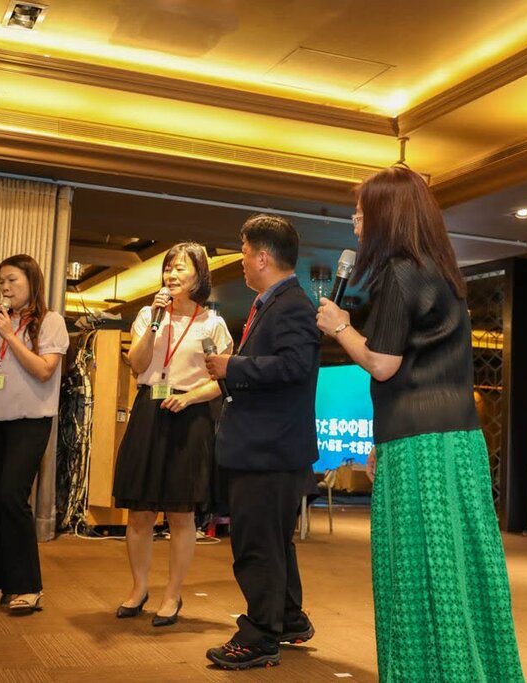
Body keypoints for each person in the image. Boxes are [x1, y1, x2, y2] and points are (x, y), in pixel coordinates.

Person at [316, 165, 525, 682]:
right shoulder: (442, 270)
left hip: (420, 448)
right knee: (461, 568)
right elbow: (419, 363)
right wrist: (382, 440)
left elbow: (383, 363)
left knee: (417, 570)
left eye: (361, 214)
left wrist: (340, 327)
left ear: (387, 217)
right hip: (455, 439)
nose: (355, 223)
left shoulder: (400, 272)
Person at [203, 214, 320, 670]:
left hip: (270, 450)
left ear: (264, 257)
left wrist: (232, 367)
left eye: (245, 252)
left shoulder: (291, 305)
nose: (242, 261)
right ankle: (287, 618)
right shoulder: (275, 302)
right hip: (270, 446)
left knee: (257, 544)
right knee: (273, 540)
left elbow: (294, 367)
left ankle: (260, 636)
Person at [112, 242, 233, 627]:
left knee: (181, 514)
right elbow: (138, 363)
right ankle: (139, 588)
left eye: (181, 268)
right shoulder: (149, 314)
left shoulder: (211, 324)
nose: (172, 274)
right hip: (149, 410)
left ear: (200, 275)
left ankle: (172, 594)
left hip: (190, 415)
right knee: (140, 511)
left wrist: (191, 397)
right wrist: (154, 322)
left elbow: (223, 380)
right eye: (168, 268)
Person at [0, 254, 68, 615]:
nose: (6, 287)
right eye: (2, 281)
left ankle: (27, 585)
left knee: (12, 496)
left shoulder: (51, 322)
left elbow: (44, 370)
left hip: (29, 421)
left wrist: (12, 335)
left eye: (12, 280)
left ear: (31, 281)